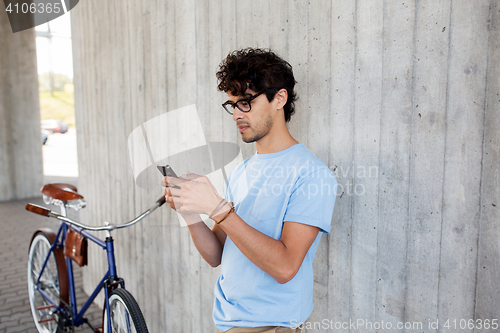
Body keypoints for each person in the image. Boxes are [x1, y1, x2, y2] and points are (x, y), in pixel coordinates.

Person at [162, 48, 337, 333]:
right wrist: (190, 212)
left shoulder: (312, 174)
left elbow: (285, 267)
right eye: (232, 105)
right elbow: (217, 254)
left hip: (270, 326)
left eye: (245, 102)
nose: (235, 115)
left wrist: (219, 209)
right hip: (226, 321)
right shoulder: (243, 171)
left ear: (279, 98)